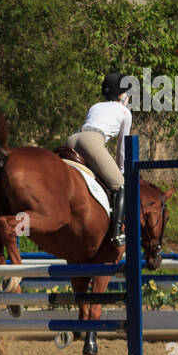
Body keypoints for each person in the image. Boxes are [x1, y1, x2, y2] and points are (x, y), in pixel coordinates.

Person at [65, 72, 133, 243]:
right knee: (120, 185)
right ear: (120, 94)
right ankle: (117, 233)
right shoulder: (125, 112)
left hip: (73, 139)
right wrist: (122, 172)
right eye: (127, 93)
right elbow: (122, 148)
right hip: (92, 141)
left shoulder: (95, 106)